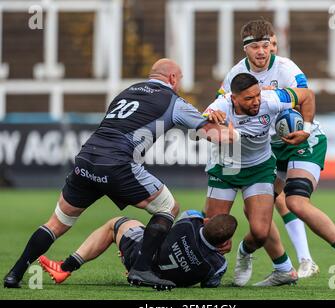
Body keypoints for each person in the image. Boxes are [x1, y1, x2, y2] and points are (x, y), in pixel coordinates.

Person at [3, 58, 238, 290]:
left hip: (87, 158)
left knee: (57, 223)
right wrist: (232, 126)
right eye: (180, 80)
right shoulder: (173, 101)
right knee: (169, 208)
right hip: (117, 163)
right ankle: (142, 269)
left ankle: (15, 274)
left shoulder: (128, 91)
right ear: (173, 78)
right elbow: (217, 136)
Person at [217, 20, 335, 286]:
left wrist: (306, 129)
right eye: (255, 46)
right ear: (245, 49)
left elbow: (306, 96)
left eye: (266, 45)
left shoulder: (286, 69)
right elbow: (224, 105)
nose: (262, 51)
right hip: (271, 150)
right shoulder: (235, 74)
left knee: (296, 202)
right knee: (256, 217)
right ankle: (273, 263)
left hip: (302, 141)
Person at [204, 72, 316, 287]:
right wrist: (219, 130)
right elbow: (203, 130)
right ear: (233, 98)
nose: (256, 101)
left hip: (259, 168)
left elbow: (307, 95)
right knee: (213, 232)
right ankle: (211, 269)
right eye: (248, 98)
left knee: (261, 232)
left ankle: (244, 254)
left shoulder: (271, 100)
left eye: (257, 95)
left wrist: (307, 130)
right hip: (226, 168)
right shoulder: (220, 106)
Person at [38, 211, 238, 289]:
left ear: (207, 222)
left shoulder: (190, 223)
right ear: (225, 242)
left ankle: (66, 267)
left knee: (116, 223)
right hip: (164, 281)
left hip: (138, 256)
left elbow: (186, 218)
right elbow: (209, 284)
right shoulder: (219, 265)